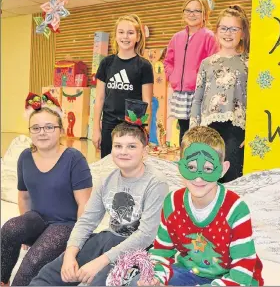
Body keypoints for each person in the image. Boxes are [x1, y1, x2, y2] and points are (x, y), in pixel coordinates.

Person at [30, 99, 169, 286]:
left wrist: (102, 261)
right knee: (49, 274)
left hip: (140, 250)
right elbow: (87, 220)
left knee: (100, 281)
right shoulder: (107, 179)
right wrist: (70, 254)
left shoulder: (156, 182)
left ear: (144, 152)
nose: (123, 152)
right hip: (108, 239)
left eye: (131, 146)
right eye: (118, 146)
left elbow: (146, 235)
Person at [131, 126, 264, 286]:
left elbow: (242, 271)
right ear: (180, 167)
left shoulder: (236, 209)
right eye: (191, 168)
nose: (199, 178)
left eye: (208, 169)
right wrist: (156, 277)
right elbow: (161, 252)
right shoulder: (172, 203)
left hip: (233, 279)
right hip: (188, 273)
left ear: (222, 169)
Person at [1, 92, 92, 286]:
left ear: (61, 130)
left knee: (31, 262)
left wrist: (75, 244)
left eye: (49, 127)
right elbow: (24, 197)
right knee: (9, 229)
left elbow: (85, 205)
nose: (42, 132)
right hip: (38, 219)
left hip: (66, 225)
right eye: (36, 128)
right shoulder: (24, 157)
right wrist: (26, 229)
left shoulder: (74, 159)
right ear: (30, 132)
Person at [189, 5, 250, 183]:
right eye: (224, 28)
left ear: (243, 33)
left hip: (237, 130)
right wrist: (193, 132)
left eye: (234, 29)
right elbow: (198, 99)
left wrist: (254, 133)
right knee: (207, 176)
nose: (228, 33)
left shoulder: (250, 63)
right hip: (208, 130)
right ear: (217, 31)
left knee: (230, 177)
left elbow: (258, 101)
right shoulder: (207, 63)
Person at [92, 14, 154, 158]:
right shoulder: (106, 63)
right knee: (108, 166)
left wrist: (146, 131)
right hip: (109, 125)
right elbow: (99, 98)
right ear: (115, 35)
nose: (125, 37)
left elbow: (147, 103)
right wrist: (96, 129)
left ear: (138, 37)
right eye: (121, 32)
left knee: (129, 165)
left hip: (133, 126)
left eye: (130, 33)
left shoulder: (144, 66)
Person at [164, 0, 219, 145]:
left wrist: (200, 82)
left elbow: (214, 64)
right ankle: (185, 160)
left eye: (197, 11)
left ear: (205, 14)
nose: (192, 14)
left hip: (199, 94)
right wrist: (173, 76)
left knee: (199, 132)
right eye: (188, 10)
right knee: (184, 131)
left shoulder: (209, 37)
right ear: (183, 13)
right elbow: (168, 61)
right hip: (181, 94)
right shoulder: (176, 37)